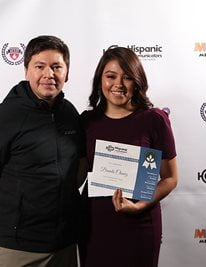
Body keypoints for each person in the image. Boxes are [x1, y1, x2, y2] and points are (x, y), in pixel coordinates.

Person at [0, 35, 85, 267]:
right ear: (26, 70)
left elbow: (79, 166)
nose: (48, 74)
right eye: (39, 66)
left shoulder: (70, 113)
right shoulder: (2, 118)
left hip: (64, 243)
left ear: (67, 73)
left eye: (56, 67)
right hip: (18, 246)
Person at [78, 47, 178, 267]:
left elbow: (170, 178)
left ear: (138, 81)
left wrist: (140, 205)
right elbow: (77, 173)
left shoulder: (154, 120)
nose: (119, 84)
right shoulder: (86, 121)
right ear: (100, 80)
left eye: (128, 77)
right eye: (111, 76)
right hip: (95, 222)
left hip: (139, 223)